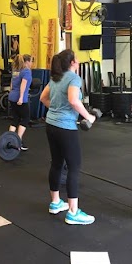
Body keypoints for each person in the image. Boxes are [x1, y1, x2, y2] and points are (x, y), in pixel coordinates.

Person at [40, 49, 96, 226]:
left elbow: (43, 98)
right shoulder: (73, 78)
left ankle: (55, 202)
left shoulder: (56, 77)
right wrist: (88, 116)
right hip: (65, 128)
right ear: (72, 62)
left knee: (57, 163)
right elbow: (73, 100)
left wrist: (56, 110)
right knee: (74, 167)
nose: (78, 61)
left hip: (51, 125)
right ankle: (73, 212)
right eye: (77, 58)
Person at [8, 54, 33, 151]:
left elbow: (11, 84)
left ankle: (10, 140)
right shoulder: (26, 71)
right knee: (26, 118)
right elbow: (23, 84)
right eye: (31, 61)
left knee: (16, 118)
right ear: (27, 62)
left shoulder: (16, 71)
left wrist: (12, 93)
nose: (31, 63)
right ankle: (18, 141)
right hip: (20, 98)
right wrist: (21, 97)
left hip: (12, 96)